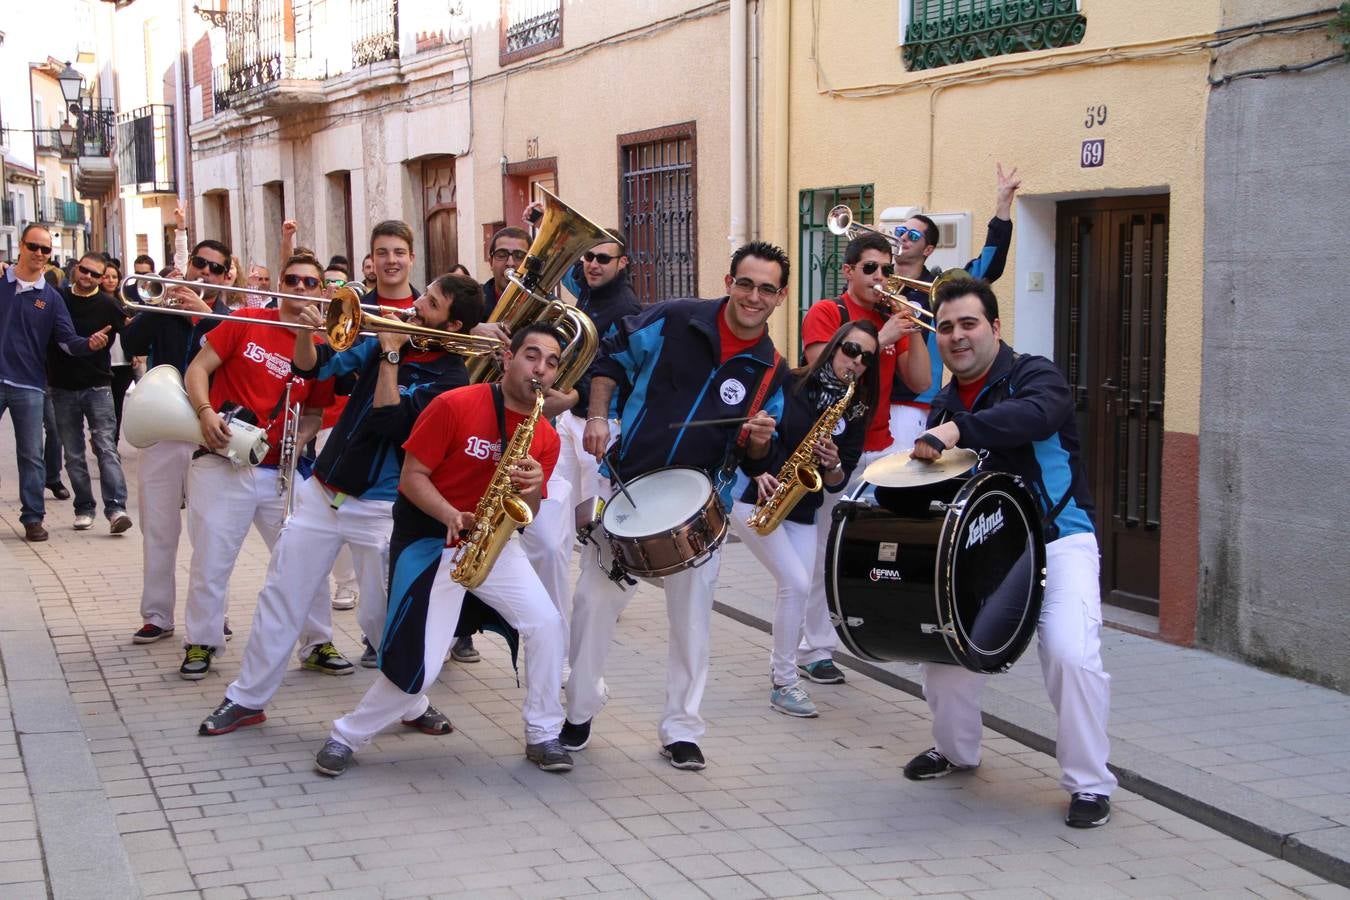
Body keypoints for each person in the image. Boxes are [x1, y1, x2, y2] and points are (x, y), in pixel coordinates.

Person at [196, 271, 484, 736]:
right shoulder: (386, 334)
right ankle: (246, 698)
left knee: (380, 616)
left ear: (451, 327)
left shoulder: (450, 379)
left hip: (380, 507)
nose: (415, 306)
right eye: (423, 295)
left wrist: (391, 350)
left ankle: (410, 702)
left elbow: (392, 421)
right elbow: (315, 368)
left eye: (429, 304)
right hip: (323, 489)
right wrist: (308, 333)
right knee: (281, 593)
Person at [565, 241, 789, 771]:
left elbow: (755, 454)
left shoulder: (771, 370)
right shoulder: (673, 319)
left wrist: (759, 441)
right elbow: (609, 360)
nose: (753, 296)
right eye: (745, 283)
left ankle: (681, 727)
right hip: (626, 486)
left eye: (766, 289)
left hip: (700, 508)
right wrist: (598, 416)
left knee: (692, 623)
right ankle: (577, 710)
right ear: (728, 280)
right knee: (594, 604)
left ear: (780, 296)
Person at [903, 278, 1116, 829]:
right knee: (943, 654)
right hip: (988, 550)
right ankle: (956, 752)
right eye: (945, 327)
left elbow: (1035, 418)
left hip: (1059, 539)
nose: (956, 336)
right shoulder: (945, 400)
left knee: (1071, 655)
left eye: (968, 324)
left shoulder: (1034, 375)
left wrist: (958, 429)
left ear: (994, 328)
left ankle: (1090, 784)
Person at [312, 323, 571, 777]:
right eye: (532, 356)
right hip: (434, 540)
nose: (541, 370)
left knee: (547, 624)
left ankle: (543, 733)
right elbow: (413, 477)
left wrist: (532, 487)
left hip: (492, 544)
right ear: (507, 357)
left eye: (552, 363)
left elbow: (526, 509)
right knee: (424, 665)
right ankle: (346, 735)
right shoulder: (454, 404)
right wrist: (451, 514)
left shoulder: (545, 435)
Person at [175, 254, 340, 680]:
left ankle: (318, 641)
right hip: (221, 459)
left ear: (322, 292)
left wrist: (300, 439)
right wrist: (206, 411)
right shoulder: (247, 319)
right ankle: (202, 641)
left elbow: (315, 413)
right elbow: (197, 369)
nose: (300, 288)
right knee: (212, 560)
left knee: (305, 555)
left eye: (310, 282)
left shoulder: (321, 347)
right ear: (279, 284)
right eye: (292, 280)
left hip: (278, 470)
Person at [792, 232, 931, 686]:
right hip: (838, 447)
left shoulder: (892, 315)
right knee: (824, 551)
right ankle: (814, 648)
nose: (879, 278)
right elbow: (823, 376)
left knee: (884, 549)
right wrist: (881, 337)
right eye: (869, 268)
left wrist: (910, 330)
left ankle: (884, 633)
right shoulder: (828, 313)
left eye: (886, 270)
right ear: (848, 271)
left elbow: (921, 378)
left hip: (884, 447)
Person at [728, 321, 880, 718]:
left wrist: (831, 465)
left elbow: (837, 481)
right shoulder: (790, 382)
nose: (856, 361)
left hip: (803, 506)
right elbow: (750, 431)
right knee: (794, 583)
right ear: (834, 346)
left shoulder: (856, 407)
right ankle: (784, 680)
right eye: (851, 349)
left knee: (793, 587)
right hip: (755, 497)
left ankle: (785, 678)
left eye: (867, 358)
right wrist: (756, 464)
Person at [120, 234, 234, 644]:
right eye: (199, 264)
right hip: (163, 428)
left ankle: (211, 616)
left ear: (226, 275)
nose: (205, 272)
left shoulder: (230, 316)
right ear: (187, 266)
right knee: (159, 526)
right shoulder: (164, 305)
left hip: (209, 432)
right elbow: (130, 343)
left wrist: (205, 315)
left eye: (215, 268)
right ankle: (157, 615)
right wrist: (159, 302)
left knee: (210, 530)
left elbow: (234, 360)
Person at [885, 163, 1020, 446]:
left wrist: (1002, 207)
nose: (903, 238)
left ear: (929, 250)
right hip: (875, 401)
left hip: (915, 403)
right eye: (900, 231)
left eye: (913, 235)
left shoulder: (942, 289)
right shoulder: (878, 281)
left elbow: (989, 266)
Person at [0, 225, 112, 542]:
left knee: (32, 455)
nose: (39, 254)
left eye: (45, 250)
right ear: (20, 246)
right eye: (33, 247)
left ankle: (33, 518)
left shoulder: (50, 298)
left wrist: (87, 344)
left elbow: (66, 340)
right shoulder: (1, 282)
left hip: (30, 385)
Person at [48, 252, 133, 533]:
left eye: (95, 274)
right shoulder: (57, 297)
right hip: (61, 386)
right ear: (76, 269)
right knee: (73, 454)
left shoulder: (109, 304)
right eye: (85, 270)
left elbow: (131, 334)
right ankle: (84, 507)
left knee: (106, 448)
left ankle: (116, 508)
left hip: (98, 385)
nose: (88, 277)